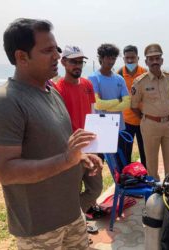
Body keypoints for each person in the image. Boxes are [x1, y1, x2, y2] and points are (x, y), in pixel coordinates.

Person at [0, 18, 102, 249]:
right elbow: (5, 171)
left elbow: (60, 146)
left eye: (57, 49)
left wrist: (81, 158)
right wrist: (65, 160)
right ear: (22, 57)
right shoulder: (5, 101)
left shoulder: (52, 92)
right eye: (47, 50)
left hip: (72, 216)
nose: (57, 56)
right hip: (40, 230)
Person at [54, 45, 103, 214]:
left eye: (80, 62)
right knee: (72, 191)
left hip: (90, 147)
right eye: (74, 62)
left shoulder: (87, 84)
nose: (78, 66)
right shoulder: (57, 89)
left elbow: (93, 111)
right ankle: (76, 222)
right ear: (64, 62)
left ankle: (74, 215)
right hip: (71, 149)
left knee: (96, 189)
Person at [131, 44, 169, 180]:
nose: (155, 61)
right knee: (151, 161)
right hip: (150, 125)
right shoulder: (140, 82)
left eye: (157, 58)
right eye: (151, 59)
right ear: (146, 62)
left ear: (162, 60)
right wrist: (146, 118)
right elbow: (133, 106)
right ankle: (155, 193)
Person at [88, 43, 130, 166]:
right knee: (99, 165)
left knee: (121, 164)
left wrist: (110, 104)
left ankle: (119, 186)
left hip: (119, 127)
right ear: (101, 58)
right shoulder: (93, 78)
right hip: (101, 128)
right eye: (108, 57)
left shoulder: (119, 79)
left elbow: (127, 103)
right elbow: (98, 104)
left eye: (113, 58)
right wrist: (117, 101)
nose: (111, 61)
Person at [118, 45, 147, 166]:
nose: (130, 61)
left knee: (146, 153)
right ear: (124, 59)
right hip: (126, 121)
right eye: (127, 58)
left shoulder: (145, 73)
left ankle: (147, 177)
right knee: (125, 154)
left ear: (138, 58)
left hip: (144, 120)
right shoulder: (119, 75)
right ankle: (128, 179)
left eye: (133, 58)